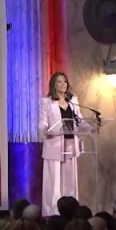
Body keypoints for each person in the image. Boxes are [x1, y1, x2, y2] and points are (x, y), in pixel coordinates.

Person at [39, 72, 88, 216]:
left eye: (65, 82)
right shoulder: (47, 102)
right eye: (60, 82)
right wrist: (44, 129)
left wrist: (92, 127)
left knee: (69, 181)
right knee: (54, 183)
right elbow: (42, 121)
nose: (63, 84)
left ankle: (70, 211)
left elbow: (80, 120)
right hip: (54, 145)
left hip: (70, 145)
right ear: (54, 84)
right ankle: (52, 212)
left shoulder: (73, 101)